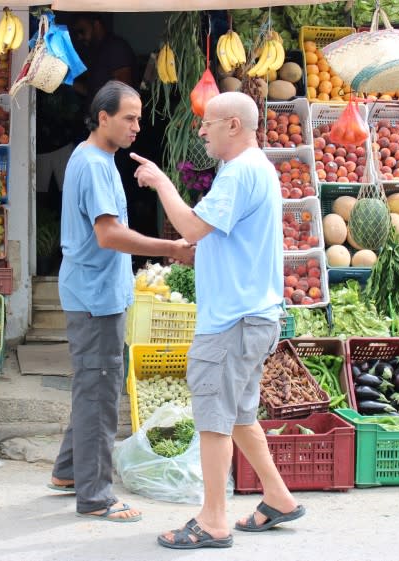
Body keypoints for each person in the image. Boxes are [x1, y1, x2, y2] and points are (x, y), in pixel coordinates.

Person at [130, 92, 305, 548]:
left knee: (213, 421)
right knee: (241, 416)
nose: (201, 131)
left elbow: (191, 227)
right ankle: (279, 497)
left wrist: (161, 182)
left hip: (232, 321)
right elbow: (218, 238)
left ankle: (212, 521)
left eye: (208, 123)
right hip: (253, 316)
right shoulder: (255, 169)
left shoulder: (241, 171)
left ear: (233, 124)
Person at [49, 80, 195, 523]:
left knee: (95, 385)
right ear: (103, 117)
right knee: (99, 392)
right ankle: (96, 497)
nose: (137, 125)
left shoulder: (94, 157)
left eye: (139, 117)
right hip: (94, 297)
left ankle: (69, 472)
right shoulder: (95, 166)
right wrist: (170, 248)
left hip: (94, 290)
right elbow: (108, 234)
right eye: (129, 117)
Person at [69, 13, 138, 103]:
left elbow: (123, 92)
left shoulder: (115, 47)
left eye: (82, 31)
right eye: (77, 33)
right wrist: (68, 81)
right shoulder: (96, 51)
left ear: (96, 25)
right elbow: (91, 92)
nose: (79, 37)